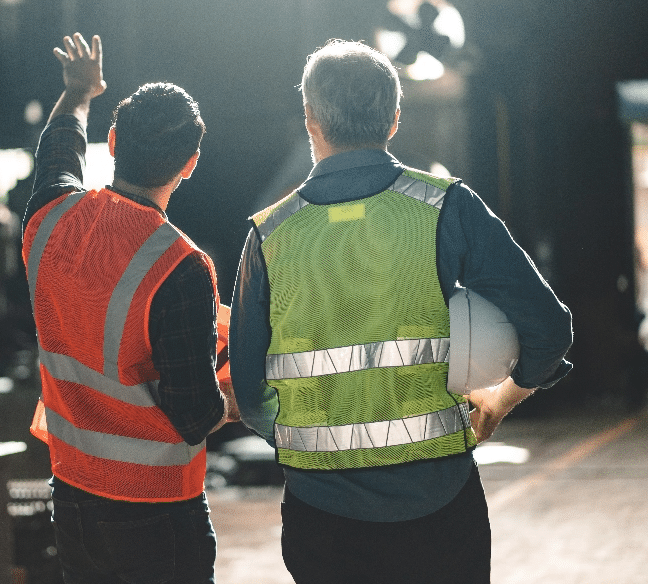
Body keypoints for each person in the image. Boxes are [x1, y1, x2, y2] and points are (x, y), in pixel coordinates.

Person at [229, 39, 573, 584]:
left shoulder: (268, 236)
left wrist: (313, 445)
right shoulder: (446, 206)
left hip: (322, 517)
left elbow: (250, 394)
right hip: (438, 507)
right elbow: (549, 329)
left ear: (309, 119)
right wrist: (499, 402)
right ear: (394, 118)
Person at [22, 33, 238, 584]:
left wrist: (79, 93)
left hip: (71, 498)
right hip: (158, 516)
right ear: (190, 164)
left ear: (113, 141)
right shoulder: (182, 268)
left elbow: (58, 151)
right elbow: (193, 416)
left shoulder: (46, 221)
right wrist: (239, 397)